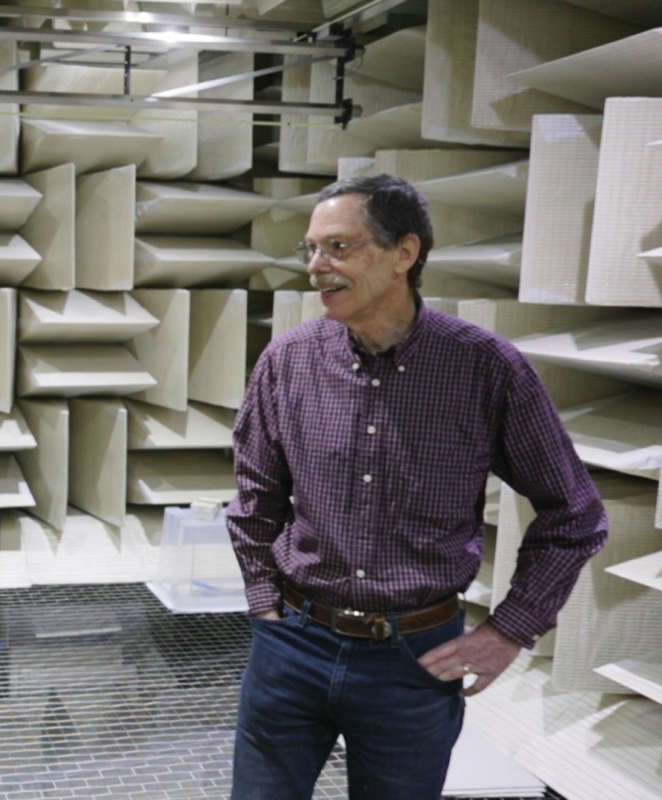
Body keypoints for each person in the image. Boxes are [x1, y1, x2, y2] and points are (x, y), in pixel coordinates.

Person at [225, 174, 608, 799]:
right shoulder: (288, 360)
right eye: (311, 250)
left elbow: (575, 516)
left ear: (405, 253)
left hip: (414, 661)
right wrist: (264, 599)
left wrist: (509, 629)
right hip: (291, 647)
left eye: (339, 248)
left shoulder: (484, 368)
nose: (318, 267)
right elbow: (255, 498)